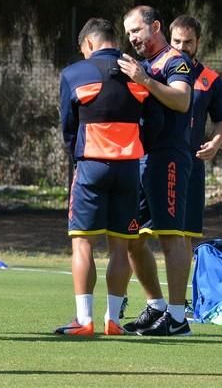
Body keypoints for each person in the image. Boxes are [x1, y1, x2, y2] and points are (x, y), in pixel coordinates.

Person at [55, 18, 155, 336]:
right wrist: (138, 149)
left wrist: (79, 157)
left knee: (83, 244)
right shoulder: (139, 72)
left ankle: (84, 321)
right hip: (128, 169)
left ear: (88, 44)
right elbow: (155, 123)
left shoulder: (74, 73)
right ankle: (113, 320)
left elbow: (68, 126)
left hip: (91, 166)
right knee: (121, 246)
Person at [118, 5, 194, 336]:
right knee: (130, 236)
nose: (132, 37)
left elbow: (181, 101)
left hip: (168, 158)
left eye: (136, 30)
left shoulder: (175, 60)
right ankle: (157, 306)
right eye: (128, 32)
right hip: (140, 159)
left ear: (155, 26)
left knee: (170, 235)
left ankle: (178, 319)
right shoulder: (143, 65)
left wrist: (145, 80)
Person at [168, 15, 222, 253]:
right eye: (177, 41)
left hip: (192, 165)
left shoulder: (210, 79)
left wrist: (215, 142)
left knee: (185, 234)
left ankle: (179, 291)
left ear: (198, 42)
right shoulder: (153, 72)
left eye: (188, 42)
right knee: (138, 234)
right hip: (157, 162)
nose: (182, 47)